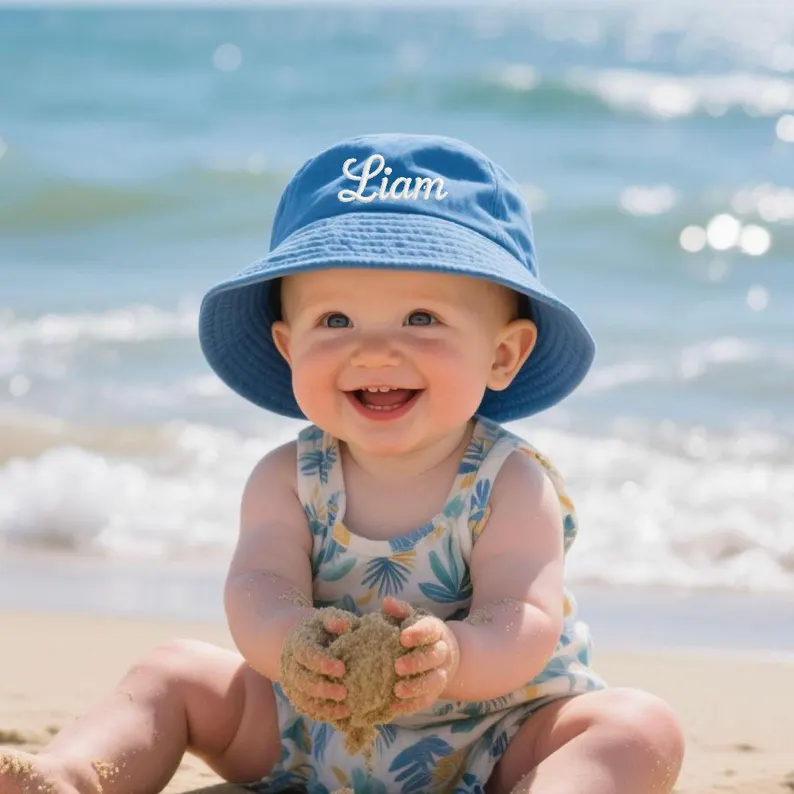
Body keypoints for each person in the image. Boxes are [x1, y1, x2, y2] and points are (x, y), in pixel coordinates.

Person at [0, 134, 684, 794]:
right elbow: (259, 586)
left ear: (503, 355)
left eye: (421, 318)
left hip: (492, 737)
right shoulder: (286, 478)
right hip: (308, 727)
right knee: (172, 673)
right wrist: (288, 642)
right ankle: (78, 775)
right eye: (335, 321)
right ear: (287, 345)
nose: (376, 351)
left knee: (638, 727)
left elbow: (523, 617)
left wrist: (454, 656)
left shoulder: (510, 482)